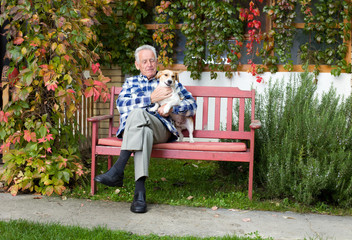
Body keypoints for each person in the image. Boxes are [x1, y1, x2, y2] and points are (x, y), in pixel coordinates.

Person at [94, 45, 197, 213]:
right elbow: (121, 105)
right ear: (137, 65)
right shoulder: (131, 82)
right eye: (144, 61)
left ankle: (118, 170)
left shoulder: (169, 80)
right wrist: (149, 98)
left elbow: (192, 105)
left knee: (137, 114)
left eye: (152, 60)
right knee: (142, 128)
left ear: (156, 62)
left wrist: (172, 108)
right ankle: (139, 195)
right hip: (139, 129)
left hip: (161, 127)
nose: (149, 64)